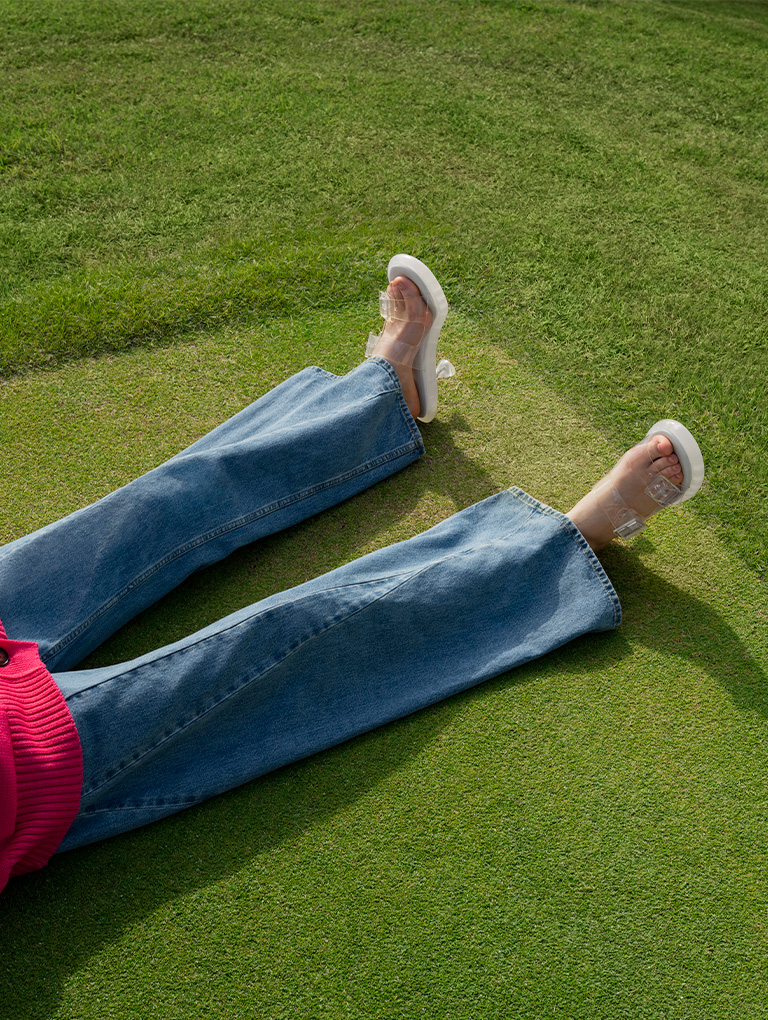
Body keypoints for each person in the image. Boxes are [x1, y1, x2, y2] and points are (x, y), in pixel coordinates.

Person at [0, 255, 704, 895]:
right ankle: (562, 548)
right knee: (283, 641)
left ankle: (376, 397)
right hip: (19, 761)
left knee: (147, 509)